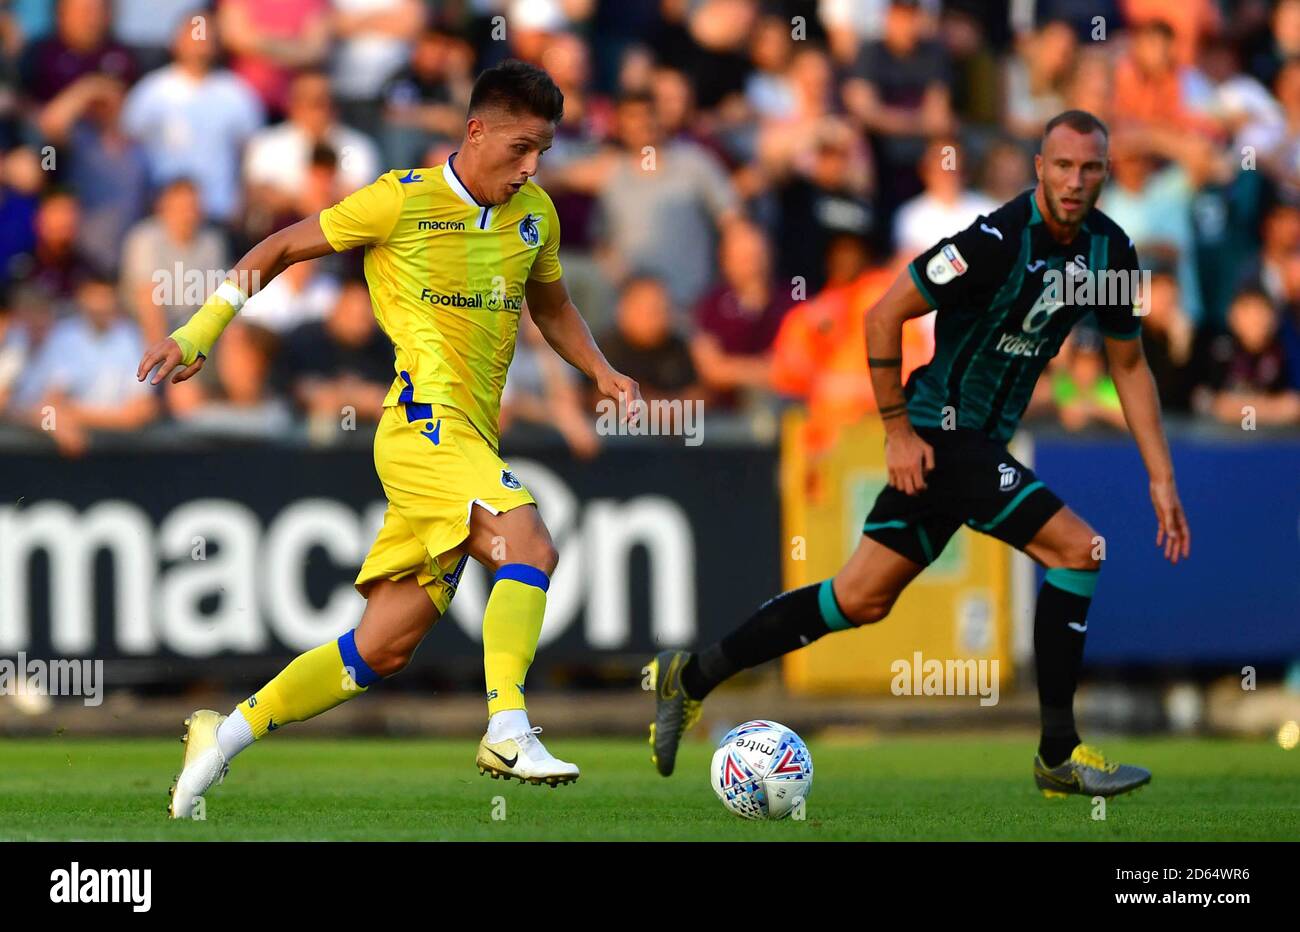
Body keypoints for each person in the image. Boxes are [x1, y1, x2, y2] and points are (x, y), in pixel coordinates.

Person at [140, 60, 641, 819]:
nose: (532, 165)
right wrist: (199, 328)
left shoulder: (536, 212)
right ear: (475, 131)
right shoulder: (398, 202)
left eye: (543, 149)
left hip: (472, 437)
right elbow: (276, 248)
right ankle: (507, 725)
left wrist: (602, 370)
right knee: (529, 543)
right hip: (420, 427)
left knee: (381, 648)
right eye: (520, 147)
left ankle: (224, 732)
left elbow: (554, 305)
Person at [648, 110, 1193, 800]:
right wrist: (899, 431)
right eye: (1062, 166)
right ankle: (1059, 753)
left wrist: (1162, 476)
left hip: (975, 446)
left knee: (858, 598)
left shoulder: (1109, 254)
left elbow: (1130, 365)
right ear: (1039, 169)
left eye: (1090, 168)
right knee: (1079, 551)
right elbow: (883, 314)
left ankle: (690, 676)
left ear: (1105, 174)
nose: (1075, 181)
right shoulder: (993, 240)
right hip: (942, 433)